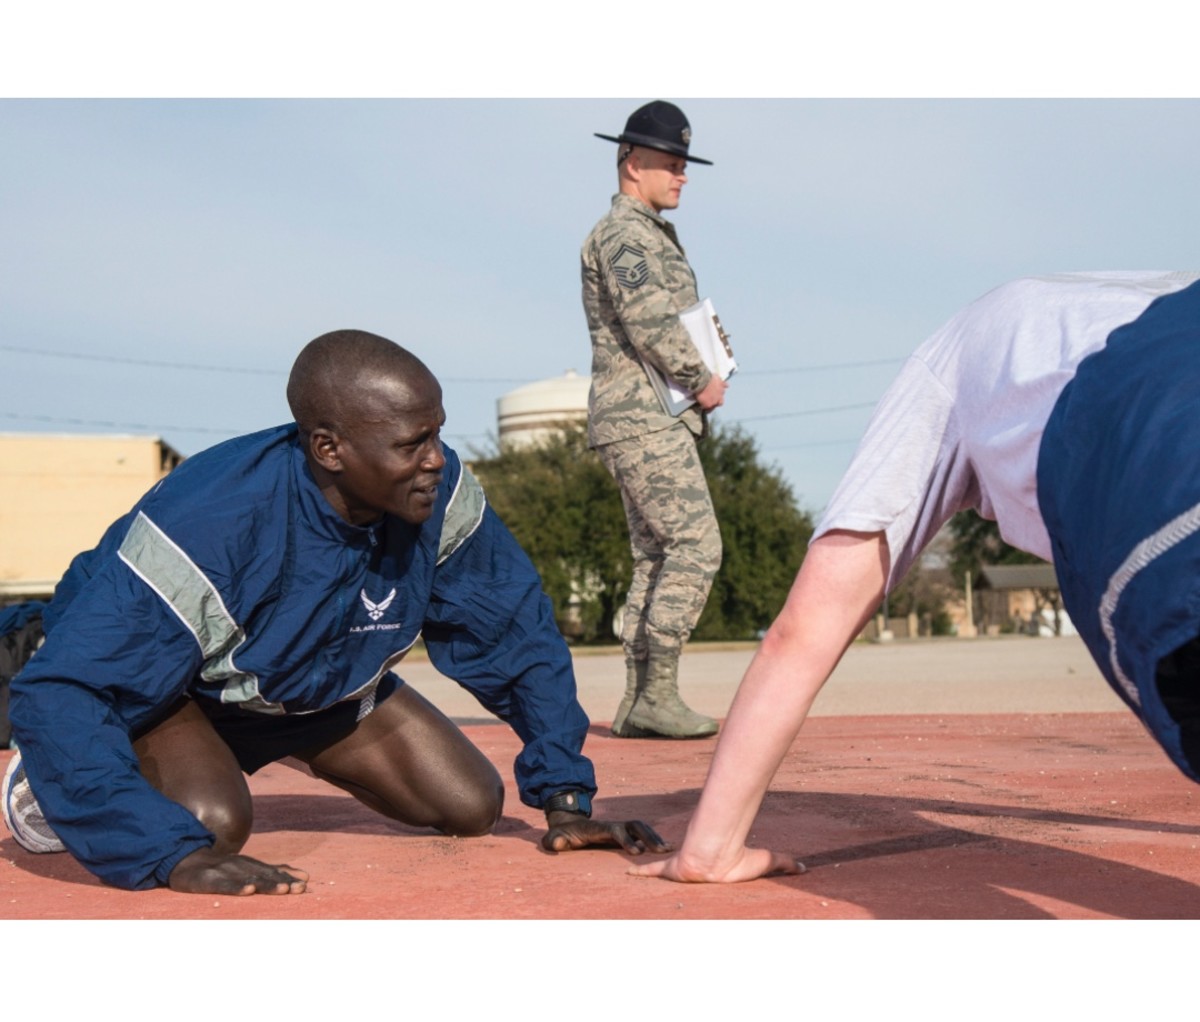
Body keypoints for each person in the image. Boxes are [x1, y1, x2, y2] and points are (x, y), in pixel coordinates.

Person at [2, 330, 667, 895]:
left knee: (470, 805)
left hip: (307, 679)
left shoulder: (440, 495)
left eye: (437, 432)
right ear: (330, 450)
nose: (436, 458)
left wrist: (564, 799)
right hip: (180, 684)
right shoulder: (210, 524)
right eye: (413, 443)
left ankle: (262, 739)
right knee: (208, 826)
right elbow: (60, 692)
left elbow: (515, 633)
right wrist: (163, 854)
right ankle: (57, 769)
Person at [629, 270, 1200, 884]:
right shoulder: (1127, 296)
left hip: (1138, 437)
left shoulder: (956, 358)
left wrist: (707, 852)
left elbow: (803, 631)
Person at [582, 99, 728, 739]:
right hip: (643, 416)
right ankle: (656, 696)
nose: (682, 175)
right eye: (672, 163)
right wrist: (703, 380)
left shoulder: (644, 232)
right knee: (697, 546)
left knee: (655, 556)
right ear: (632, 162)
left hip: (645, 417)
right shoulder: (625, 236)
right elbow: (649, 324)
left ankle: (641, 700)